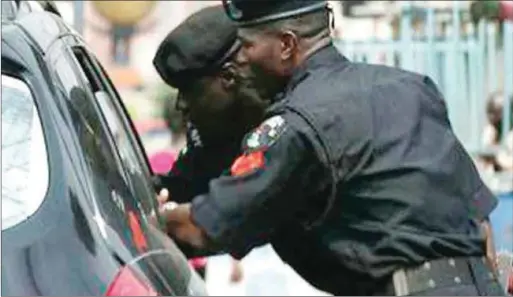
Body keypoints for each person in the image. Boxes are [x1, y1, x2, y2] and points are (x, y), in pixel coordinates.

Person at [158, 0, 504, 295]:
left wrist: (147, 221)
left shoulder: (297, 123)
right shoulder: (410, 88)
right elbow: (479, 221)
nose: (244, 58)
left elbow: (204, 228)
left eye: (248, 46)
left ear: (286, 45)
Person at [151, 5, 267, 282]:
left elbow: (223, 222)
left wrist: (158, 219)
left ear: (228, 78)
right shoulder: (211, 129)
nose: (180, 105)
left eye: (189, 90)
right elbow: (183, 185)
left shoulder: (285, 121)